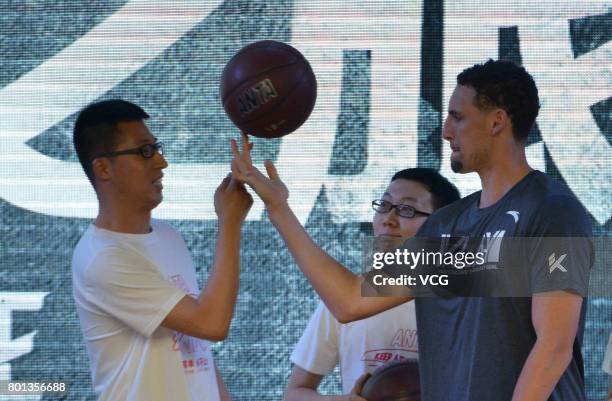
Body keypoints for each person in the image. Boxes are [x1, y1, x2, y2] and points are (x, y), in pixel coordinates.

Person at [231, 59, 592, 401]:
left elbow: (554, 344)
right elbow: (350, 300)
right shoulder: (448, 224)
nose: (446, 130)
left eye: (457, 117)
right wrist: (278, 208)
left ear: (497, 122)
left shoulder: (552, 211)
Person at [71, 99, 253, 401]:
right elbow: (212, 323)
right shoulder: (103, 259)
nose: (161, 162)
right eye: (144, 151)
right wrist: (230, 221)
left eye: (157, 148)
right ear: (103, 168)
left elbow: (195, 344)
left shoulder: (168, 236)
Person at [285, 168, 459, 401]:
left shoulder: (466, 299)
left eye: (407, 209)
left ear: (442, 226)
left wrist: (278, 208)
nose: (389, 220)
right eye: (384, 206)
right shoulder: (342, 296)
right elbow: (295, 393)